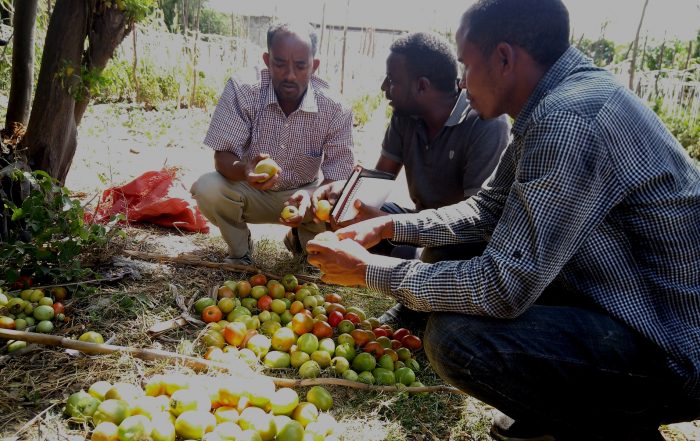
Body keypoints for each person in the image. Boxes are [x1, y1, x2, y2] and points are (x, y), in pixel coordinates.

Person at [306, 0, 700, 439]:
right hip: (627, 304)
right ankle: (567, 408)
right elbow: (488, 208)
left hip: (672, 347)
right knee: (459, 273)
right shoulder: (557, 102)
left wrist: (370, 270)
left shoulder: (569, 120)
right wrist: (389, 226)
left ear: (504, 58)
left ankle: (614, 424)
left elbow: (503, 287)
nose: (460, 82)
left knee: (457, 339)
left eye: (465, 65)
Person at [315, 32, 508, 324]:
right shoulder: (406, 116)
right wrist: (341, 193)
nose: (384, 87)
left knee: (437, 250)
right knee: (349, 213)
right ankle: (414, 261)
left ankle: (415, 295)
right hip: (419, 223)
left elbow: (477, 222)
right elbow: (380, 177)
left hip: (459, 240)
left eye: (391, 80)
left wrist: (385, 226)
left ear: (421, 86)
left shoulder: (484, 123)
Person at [191, 21, 354, 265]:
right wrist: (245, 170)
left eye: (300, 66)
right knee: (208, 187)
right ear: (267, 60)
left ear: (314, 66)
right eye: (280, 64)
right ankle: (240, 250)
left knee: (341, 202)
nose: (290, 75)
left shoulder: (335, 107)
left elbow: (338, 180)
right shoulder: (244, 89)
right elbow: (222, 157)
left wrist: (309, 197)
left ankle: (300, 239)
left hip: (305, 196)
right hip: (250, 190)